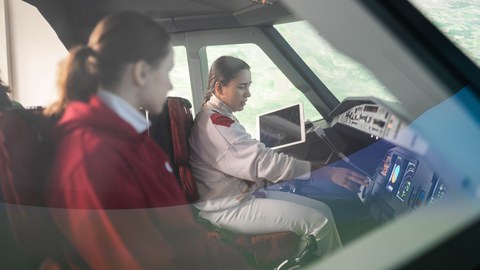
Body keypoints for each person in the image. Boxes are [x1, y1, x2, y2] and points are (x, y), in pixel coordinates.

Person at [45, 12, 251, 270]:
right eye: (166, 71)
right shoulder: (94, 160)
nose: (169, 84)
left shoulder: (130, 137)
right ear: (141, 73)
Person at [189, 56, 369, 258]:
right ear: (219, 88)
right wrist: (327, 172)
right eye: (241, 87)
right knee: (320, 223)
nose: (248, 93)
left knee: (324, 210)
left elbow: (249, 156)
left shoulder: (218, 115)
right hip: (228, 207)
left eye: (249, 86)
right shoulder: (216, 124)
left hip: (241, 195)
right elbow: (264, 163)